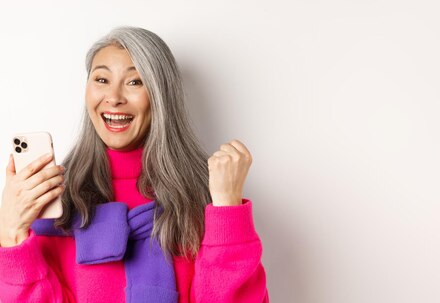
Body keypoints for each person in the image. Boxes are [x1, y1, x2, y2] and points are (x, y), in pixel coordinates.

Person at [0, 26, 269, 303]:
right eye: (102, 79)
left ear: (161, 96)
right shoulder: (54, 202)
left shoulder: (205, 197)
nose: (114, 97)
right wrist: (11, 234)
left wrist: (227, 210)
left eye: (135, 82)